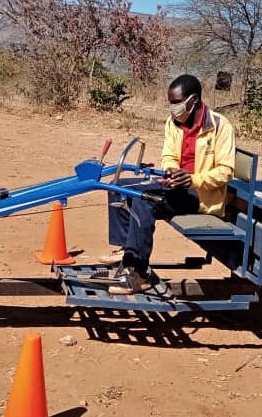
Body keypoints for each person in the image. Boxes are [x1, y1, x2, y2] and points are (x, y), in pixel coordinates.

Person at [101, 74, 235, 295]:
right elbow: (169, 155)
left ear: (192, 101)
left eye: (176, 103)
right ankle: (126, 249)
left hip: (200, 195)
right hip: (176, 187)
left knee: (146, 203)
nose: (172, 108)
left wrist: (192, 179)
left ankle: (139, 274)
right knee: (119, 187)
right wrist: (172, 170)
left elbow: (226, 171)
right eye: (170, 103)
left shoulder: (220, 126)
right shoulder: (173, 123)